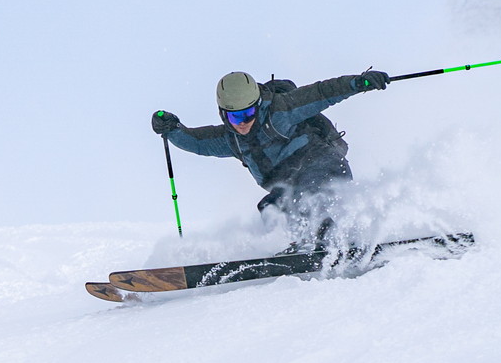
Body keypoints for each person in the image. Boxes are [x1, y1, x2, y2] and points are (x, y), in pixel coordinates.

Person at [152, 69, 389, 244]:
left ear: (258, 105)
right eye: (235, 117)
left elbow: (324, 92)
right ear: (224, 115)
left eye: (249, 113)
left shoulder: (281, 110)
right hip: (290, 183)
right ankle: (306, 245)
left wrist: (360, 82)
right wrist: (172, 129)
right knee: (271, 208)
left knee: (302, 200)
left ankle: (333, 242)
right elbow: (197, 142)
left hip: (323, 163)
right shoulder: (231, 139)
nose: (243, 122)